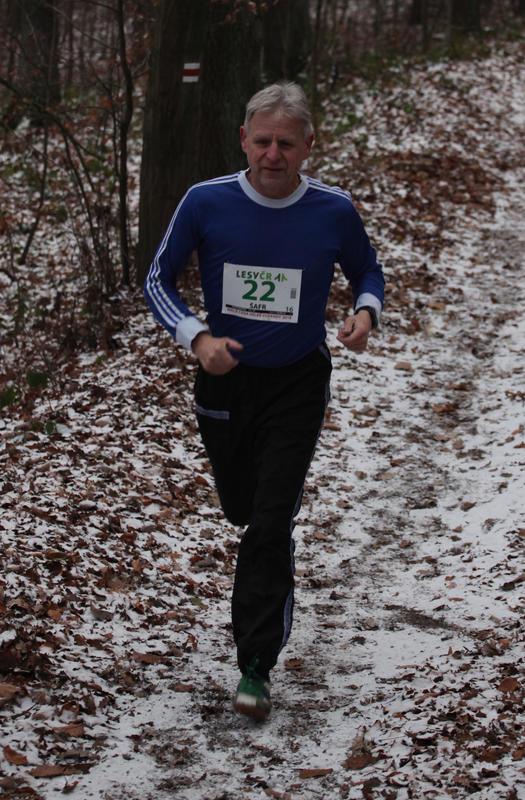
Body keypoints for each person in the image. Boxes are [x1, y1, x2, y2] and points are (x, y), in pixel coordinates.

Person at [144, 82, 384, 722]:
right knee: (242, 508)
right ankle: (258, 545)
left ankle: (255, 663)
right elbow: (157, 278)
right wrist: (197, 338)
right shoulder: (206, 201)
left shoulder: (332, 210)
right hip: (225, 379)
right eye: (262, 141)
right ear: (244, 141)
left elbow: (367, 270)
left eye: (286, 143)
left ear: (308, 146)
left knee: (271, 520)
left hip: (297, 381)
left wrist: (365, 312)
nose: (273, 154)